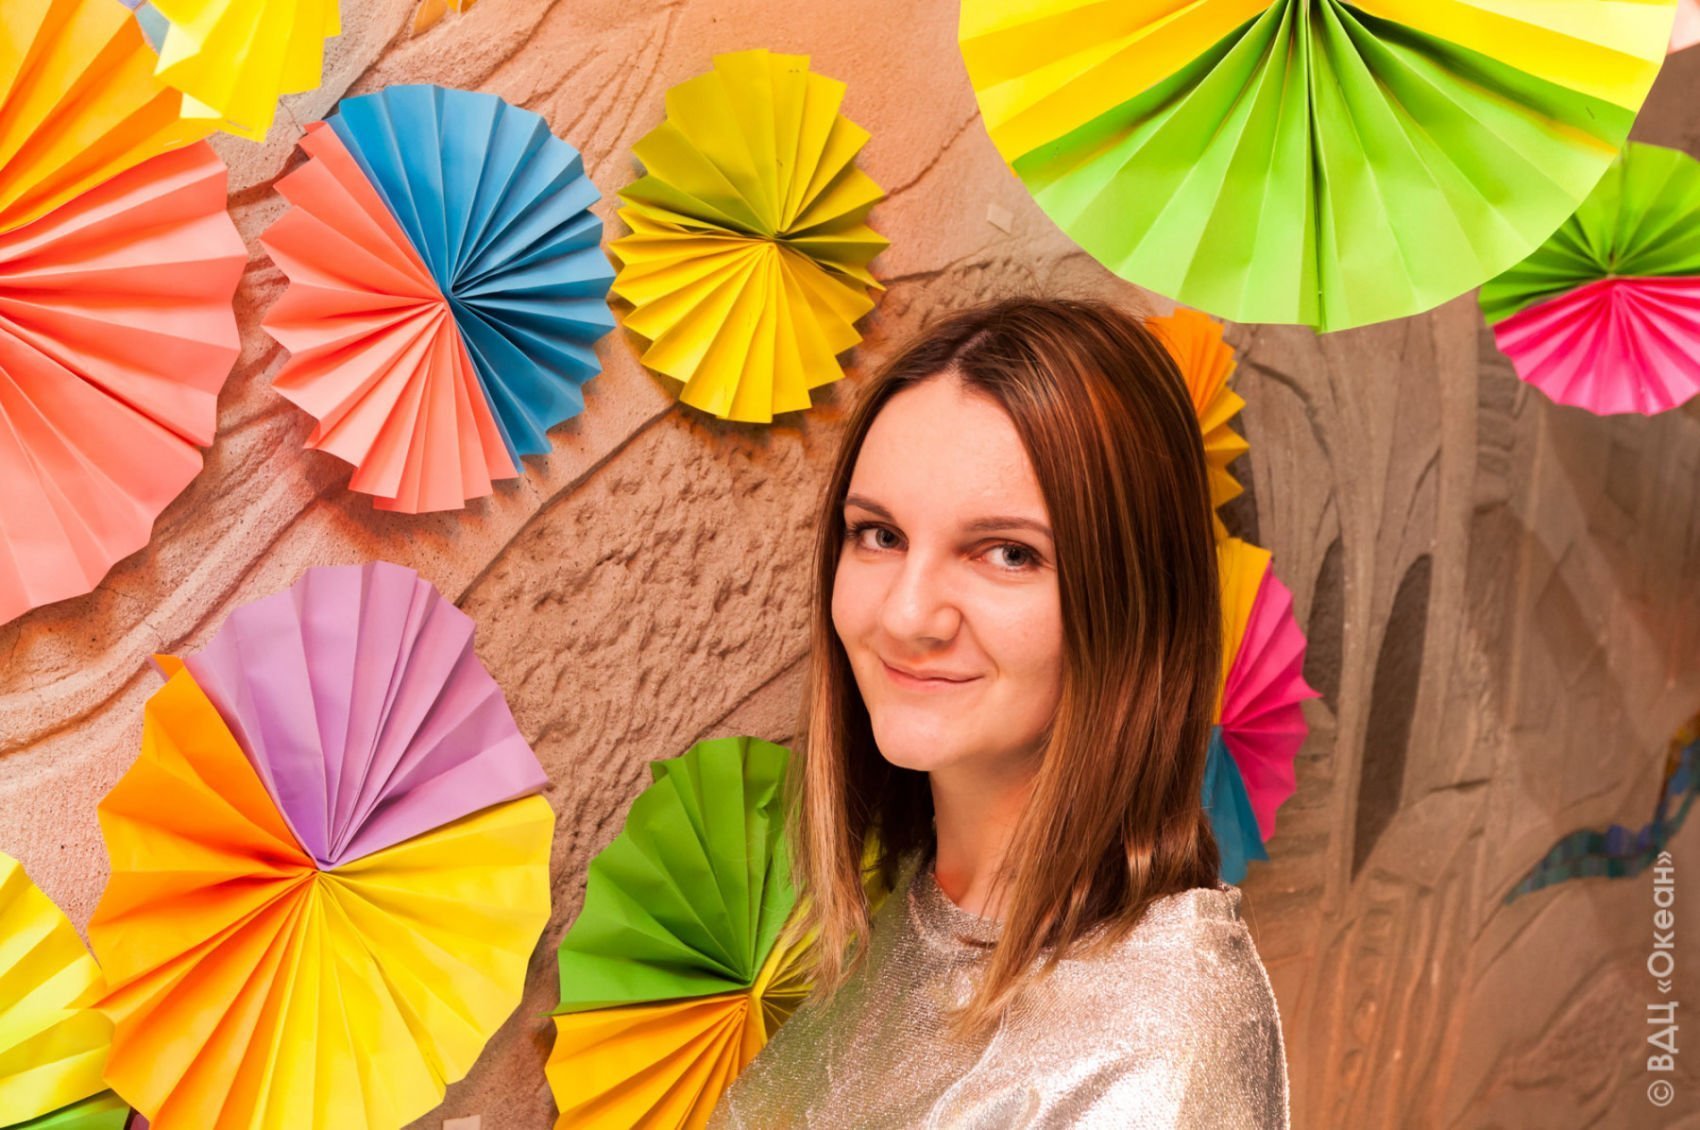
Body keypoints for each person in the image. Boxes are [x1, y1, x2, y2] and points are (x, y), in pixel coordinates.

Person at [709, 297, 1289, 1129]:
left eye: (1008, 553)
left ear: (1133, 604)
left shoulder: (1160, 1045)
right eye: (879, 535)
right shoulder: (898, 916)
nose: (907, 615)